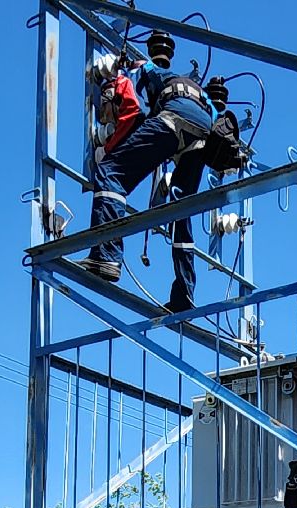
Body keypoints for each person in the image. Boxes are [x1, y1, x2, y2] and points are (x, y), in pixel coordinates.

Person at [78, 29, 220, 314]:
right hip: (206, 133)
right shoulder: (194, 87)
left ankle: (106, 256)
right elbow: (214, 119)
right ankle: (184, 295)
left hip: (174, 118)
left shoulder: (141, 70)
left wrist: (110, 148)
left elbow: (133, 110)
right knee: (182, 211)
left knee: (111, 173)